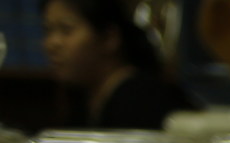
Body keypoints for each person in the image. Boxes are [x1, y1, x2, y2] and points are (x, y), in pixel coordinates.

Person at [42, 0, 197, 129]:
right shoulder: (82, 99)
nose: (51, 44)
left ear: (110, 38)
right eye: (48, 30)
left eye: (66, 30)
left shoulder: (142, 100)